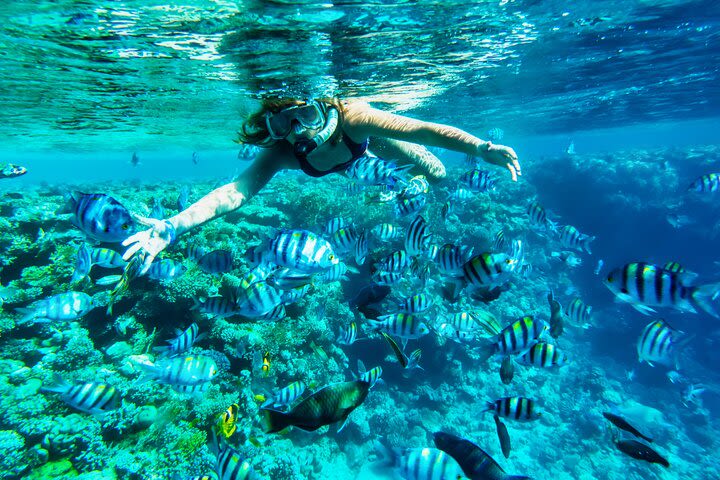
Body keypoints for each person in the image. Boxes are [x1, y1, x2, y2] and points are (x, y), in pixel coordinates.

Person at [122, 98, 520, 271]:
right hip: (352, 168)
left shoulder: (351, 117)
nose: (297, 132)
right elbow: (234, 192)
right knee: (380, 181)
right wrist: (173, 226)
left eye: (305, 116)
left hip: (369, 145)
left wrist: (480, 147)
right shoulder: (282, 151)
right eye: (283, 124)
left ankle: (412, 183)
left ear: (320, 109)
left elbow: (423, 130)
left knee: (439, 175)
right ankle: (397, 186)